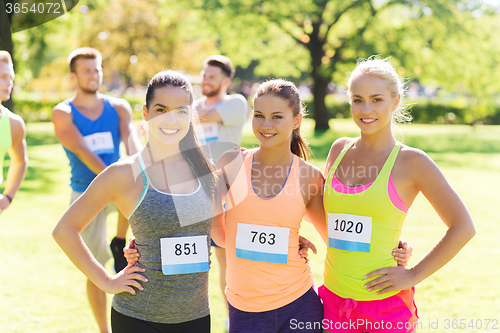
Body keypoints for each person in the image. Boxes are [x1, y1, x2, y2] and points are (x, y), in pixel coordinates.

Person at [125, 79, 412, 333]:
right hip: (244, 309)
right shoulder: (231, 163)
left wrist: (392, 249)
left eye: (277, 117)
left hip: (299, 304)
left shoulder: (309, 178)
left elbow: (337, 236)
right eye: (259, 116)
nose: (266, 125)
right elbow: (199, 220)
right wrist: (146, 242)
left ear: (296, 120)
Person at [53, 70, 224, 333]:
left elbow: (220, 233)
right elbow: (64, 230)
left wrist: (293, 239)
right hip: (139, 316)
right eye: (161, 109)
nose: (171, 119)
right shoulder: (123, 173)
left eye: (181, 110)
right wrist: (107, 281)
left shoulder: (206, 170)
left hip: (197, 317)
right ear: (145, 112)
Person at [319, 57, 475, 332]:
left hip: (384, 307)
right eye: (357, 99)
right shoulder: (338, 149)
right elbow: (334, 219)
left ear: (396, 101)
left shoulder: (412, 162)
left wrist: (413, 274)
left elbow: (463, 227)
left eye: (376, 99)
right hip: (333, 300)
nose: (365, 109)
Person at [51, 47, 141, 332]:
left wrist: (139, 171)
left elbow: (133, 145)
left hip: (122, 189)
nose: (94, 74)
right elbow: (84, 152)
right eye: (87, 70)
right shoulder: (63, 113)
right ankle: (104, 330)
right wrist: (119, 178)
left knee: (136, 250)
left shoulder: (119, 107)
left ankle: (119, 240)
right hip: (86, 193)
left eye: (98, 68)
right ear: (74, 75)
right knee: (95, 268)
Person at [194, 55, 248, 331]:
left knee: (228, 261)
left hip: (227, 190)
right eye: (204, 75)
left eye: (212, 77)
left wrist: (170, 114)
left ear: (226, 81)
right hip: (193, 190)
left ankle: (232, 321)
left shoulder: (235, 103)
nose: (206, 81)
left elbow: (198, 117)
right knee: (194, 259)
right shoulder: (191, 107)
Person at [0, 50, 28, 215]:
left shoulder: (14, 123)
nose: (9, 83)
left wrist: (7, 197)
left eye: (11, 78)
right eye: (3, 77)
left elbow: (20, 161)